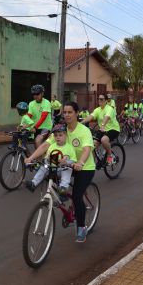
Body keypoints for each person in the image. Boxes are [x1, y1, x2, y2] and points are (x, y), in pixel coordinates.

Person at [25, 102, 95, 243]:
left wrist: (80, 163)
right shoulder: (61, 129)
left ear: (76, 113)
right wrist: (30, 158)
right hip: (63, 165)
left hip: (83, 167)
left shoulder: (84, 131)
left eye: (70, 112)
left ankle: (81, 228)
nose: (67, 115)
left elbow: (87, 149)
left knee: (76, 196)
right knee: (48, 173)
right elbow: (46, 145)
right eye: (65, 112)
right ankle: (61, 195)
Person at [25, 123, 76, 196]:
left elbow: (73, 160)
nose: (58, 137)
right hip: (53, 167)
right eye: (55, 136)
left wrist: (66, 162)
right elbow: (47, 157)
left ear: (66, 136)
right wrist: (46, 160)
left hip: (63, 168)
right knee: (44, 167)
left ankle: (63, 188)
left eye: (60, 135)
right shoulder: (52, 146)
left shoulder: (69, 148)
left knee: (67, 170)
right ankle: (34, 183)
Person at [82, 94, 121, 165]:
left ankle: (109, 155)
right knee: (92, 146)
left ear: (106, 101)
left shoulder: (109, 108)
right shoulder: (97, 110)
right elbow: (90, 116)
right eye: (99, 99)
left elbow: (106, 117)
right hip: (102, 130)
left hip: (113, 129)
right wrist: (80, 123)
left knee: (104, 140)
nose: (99, 100)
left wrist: (103, 125)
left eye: (102, 99)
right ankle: (92, 164)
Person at [28, 84, 53, 149]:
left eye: (37, 94)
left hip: (45, 127)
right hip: (36, 127)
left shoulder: (46, 102)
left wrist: (35, 127)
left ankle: (41, 159)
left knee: (37, 141)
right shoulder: (31, 103)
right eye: (34, 94)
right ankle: (38, 157)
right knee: (36, 146)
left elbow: (43, 117)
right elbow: (29, 116)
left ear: (42, 94)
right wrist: (22, 125)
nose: (35, 96)